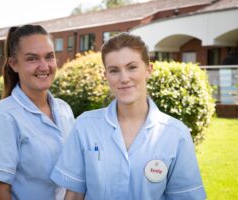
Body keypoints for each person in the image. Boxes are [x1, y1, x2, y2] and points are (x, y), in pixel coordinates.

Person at [50, 33, 206, 200]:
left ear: (148, 70)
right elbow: (73, 195)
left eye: (132, 67)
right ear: (106, 76)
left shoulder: (176, 134)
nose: (124, 78)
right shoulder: (85, 126)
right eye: (114, 70)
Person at [0, 24, 75, 200]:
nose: (44, 66)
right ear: (14, 64)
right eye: (32, 59)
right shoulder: (1, 116)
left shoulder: (64, 109)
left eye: (49, 56)